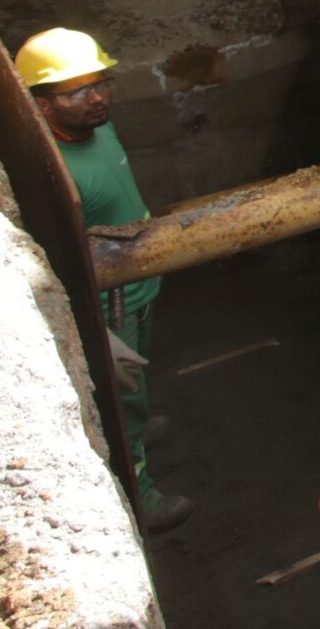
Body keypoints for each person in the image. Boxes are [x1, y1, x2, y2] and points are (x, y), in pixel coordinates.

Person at [19, 27, 191, 534]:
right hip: (111, 304)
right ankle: (143, 495)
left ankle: (136, 417)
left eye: (100, 83)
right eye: (76, 92)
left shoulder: (100, 129)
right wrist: (100, 334)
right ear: (41, 105)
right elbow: (59, 266)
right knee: (123, 396)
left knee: (140, 376)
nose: (96, 98)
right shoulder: (56, 177)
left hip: (139, 287)